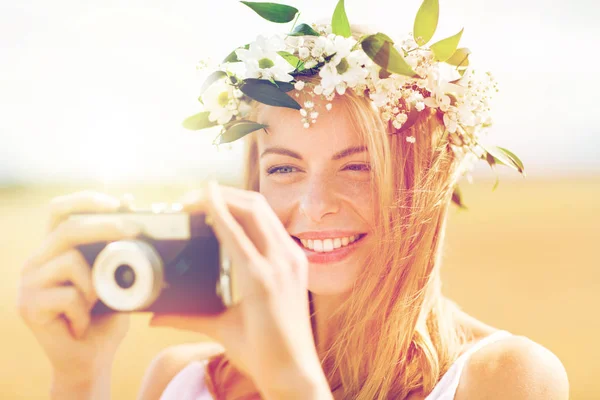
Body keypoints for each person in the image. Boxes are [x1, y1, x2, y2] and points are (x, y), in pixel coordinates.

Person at [17, 3, 570, 399]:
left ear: (423, 184)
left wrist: (290, 382)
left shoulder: (506, 378)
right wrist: (78, 377)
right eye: (283, 168)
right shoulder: (179, 379)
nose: (312, 205)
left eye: (358, 168)